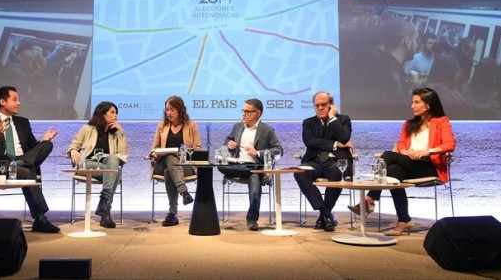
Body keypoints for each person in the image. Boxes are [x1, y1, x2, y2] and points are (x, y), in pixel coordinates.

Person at [348, 87, 456, 236]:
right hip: (409, 162)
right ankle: (403, 220)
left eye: (416, 102)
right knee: (393, 173)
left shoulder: (441, 122)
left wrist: (427, 151)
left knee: (388, 155)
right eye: (412, 102)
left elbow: (450, 145)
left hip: (429, 165)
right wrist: (405, 152)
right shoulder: (409, 124)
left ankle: (370, 199)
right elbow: (401, 144)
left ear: (428, 105)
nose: (412, 106)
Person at [0, 86, 61, 233]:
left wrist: (43, 141)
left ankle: (20, 164)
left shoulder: (23, 122)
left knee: (47, 145)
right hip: (0, 167)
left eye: (19, 100)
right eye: (15, 99)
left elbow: (33, 148)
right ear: (2, 101)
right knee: (29, 169)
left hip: (20, 164)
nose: (19, 103)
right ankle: (39, 218)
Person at [217, 98, 283, 231]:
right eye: (243, 111)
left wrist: (257, 153)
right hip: (238, 165)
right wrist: (229, 144)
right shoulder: (238, 126)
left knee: (254, 184)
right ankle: (254, 170)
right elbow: (227, 141)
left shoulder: (267, 130)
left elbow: (279, 150)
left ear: (257, 113)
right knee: (220, 165)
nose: (243, 114)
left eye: (247, 111)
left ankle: (252, 219)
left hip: (255, 164)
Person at [294, 91, 353, 232]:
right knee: (300, 172)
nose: (320, 108)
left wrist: (332, 119)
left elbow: (344, 137)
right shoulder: (308, 122)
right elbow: (310, 141)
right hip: (315, 161)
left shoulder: (343, 119)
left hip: (336, 161)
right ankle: (326, 214)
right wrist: (335, 144)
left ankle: (323, 217)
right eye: (317, 105)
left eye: (323, 105)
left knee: (337, 171)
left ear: (331, 105)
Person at [67, 101, 129, 228]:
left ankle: (104, 206)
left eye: (116, 113)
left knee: (113, 160)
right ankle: (105, 209)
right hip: (87, 164)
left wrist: (121, 132)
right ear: (102, 114)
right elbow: (73, 146)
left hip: (105, 168)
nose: (115, 115)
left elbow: (122, 155)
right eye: (112, 112)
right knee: (115, 171)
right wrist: (73, 151)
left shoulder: (115, 134)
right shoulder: (87, 129)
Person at [150, 95, 202, 227]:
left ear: (180, 110)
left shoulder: (191, 126)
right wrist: (156, 153)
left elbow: (198, 148)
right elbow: (154, 148)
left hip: (184, 165)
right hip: (161, 163)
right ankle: (184, 191)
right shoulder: (162, 126)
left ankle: (172, 213)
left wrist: (184, 155)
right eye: (167, 109)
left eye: (172, 109)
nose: (169, 113)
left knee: (170, 170)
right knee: (170, 157)